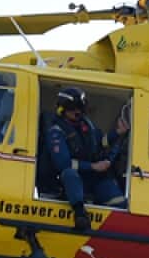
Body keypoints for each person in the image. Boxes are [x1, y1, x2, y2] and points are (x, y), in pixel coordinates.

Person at [44, 87, 128, 231]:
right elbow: (63, 163)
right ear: (62, 110)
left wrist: (116, 133)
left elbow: (100, 142)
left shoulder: (86, 124)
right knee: (69, 174)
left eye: (79, 109)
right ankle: (79, 214)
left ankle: (117, 233)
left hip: (95, 177)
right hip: (74, 181)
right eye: (73, 110)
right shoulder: (56, 132)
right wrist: (93, 167)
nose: (77, 112)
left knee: (119, 201)